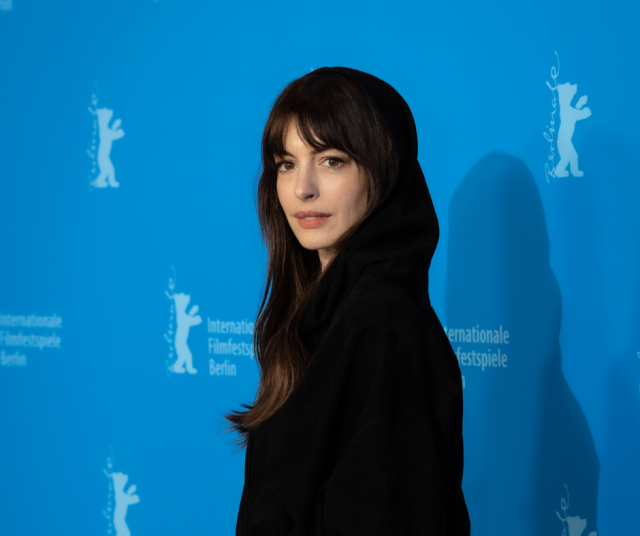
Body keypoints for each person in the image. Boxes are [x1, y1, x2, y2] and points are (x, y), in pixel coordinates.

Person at [227, 67, 470, 535]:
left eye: (332, 161)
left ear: (384, 171)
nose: (303, 188)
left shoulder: (381, 324)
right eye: (286, 164)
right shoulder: (318, 315)